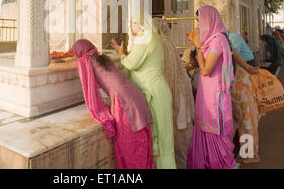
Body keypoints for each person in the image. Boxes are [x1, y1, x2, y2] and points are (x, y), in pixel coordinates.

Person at [48, 39, 155, 169]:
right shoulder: (104, 58)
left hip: (123, 99)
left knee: (129, 144)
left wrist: (60, 59)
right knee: (141, 139)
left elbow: (52, 66)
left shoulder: (86, 62)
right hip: (134, 93)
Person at [111, 13, 176, 169]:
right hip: (156, 91)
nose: (129, 27)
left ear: (139, 24)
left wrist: (121, 55)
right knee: (162, 140)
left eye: (131, 24)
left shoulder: (145, 37)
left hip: (154, 93)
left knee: (161, 141)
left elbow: (132, 64)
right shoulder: (149, 37)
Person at [187, 5, 236, 169]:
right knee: (204, 128)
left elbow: (206, 70)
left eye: (199, 21)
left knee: (214, 132)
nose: (197, 26)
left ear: (209, 20)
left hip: (215, 97)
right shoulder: (211, 40)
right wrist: (197, 47)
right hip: (207, 94)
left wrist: (199, 46)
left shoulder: (217, 40)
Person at [152, 18, 194, 169]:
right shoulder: (165, 43)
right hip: (178, 92)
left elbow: (169, 74)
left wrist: (170, 102)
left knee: (180, 137)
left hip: (176, 94)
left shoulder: (163, 44)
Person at [227, 31, 261, 164]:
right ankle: (243, 153)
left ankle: (248, 154)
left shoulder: (227, 39)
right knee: (241, 120)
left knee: (244, 120)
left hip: (239, 81)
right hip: (236, 83)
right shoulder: (224, 38)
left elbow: (234, 56)